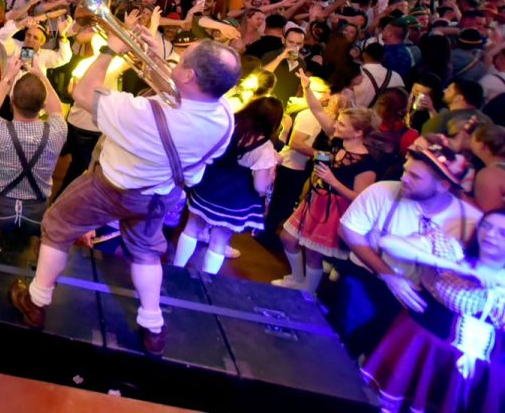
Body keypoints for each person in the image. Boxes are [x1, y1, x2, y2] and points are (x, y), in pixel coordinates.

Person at [10, 34, 240, 356]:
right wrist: (156, 60)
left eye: (183, 59)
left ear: (189, 75)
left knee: (57, 225)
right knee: (146, 251)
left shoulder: (141, 113)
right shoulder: (224, 116)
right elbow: (178, 96)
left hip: (109, 187)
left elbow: (82, 92)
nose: (177, 61)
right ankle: (153, 327)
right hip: (157, 195)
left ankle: (37, 301)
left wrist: (110, 51)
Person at [332, 142, 482, 358]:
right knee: (340, 348)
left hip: (421, 297)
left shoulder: (469, 220)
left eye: (415, 177)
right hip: (367, 279)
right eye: (405, 170)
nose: (404, 178)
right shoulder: (381, 192)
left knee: (386, 359)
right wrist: (388, 275)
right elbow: (348, 231)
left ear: (443, 186)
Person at [361, 208, 505, 413]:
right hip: (425, 348)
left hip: (481, 372)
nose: (490, 235)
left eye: (502, 233)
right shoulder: (454, 253)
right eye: (487, 226)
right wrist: (457, 268)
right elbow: (388, 243)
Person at [277, 101, 383, 292]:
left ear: (358, 132)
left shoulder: (367, 163)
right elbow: (318, 112)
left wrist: (332, 180)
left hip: (335, 208)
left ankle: (307, 294)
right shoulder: (337, 144)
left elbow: (359, 198)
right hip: (317, 200)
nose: (336, 126)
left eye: (342, 124)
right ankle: (297, 278)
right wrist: (307, 88)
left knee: (313, 254)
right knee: (287, 237)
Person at [172, 96, 282, 275]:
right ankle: (205, 281)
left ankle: (175, 270)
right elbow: (260, 186)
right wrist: (271, 171)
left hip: (207, 186)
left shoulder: (229, 125)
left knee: (191, 227)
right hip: (235, 200)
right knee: (219, 241)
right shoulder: (264, 147)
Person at [0, 55, 67, 238]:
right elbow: (57, 110)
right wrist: (41, 75)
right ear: (42, 105)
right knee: (30, 256)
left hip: (0, 208)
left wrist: (8, 77)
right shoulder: (57, 132)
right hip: (36, 210)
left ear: (12, 101)